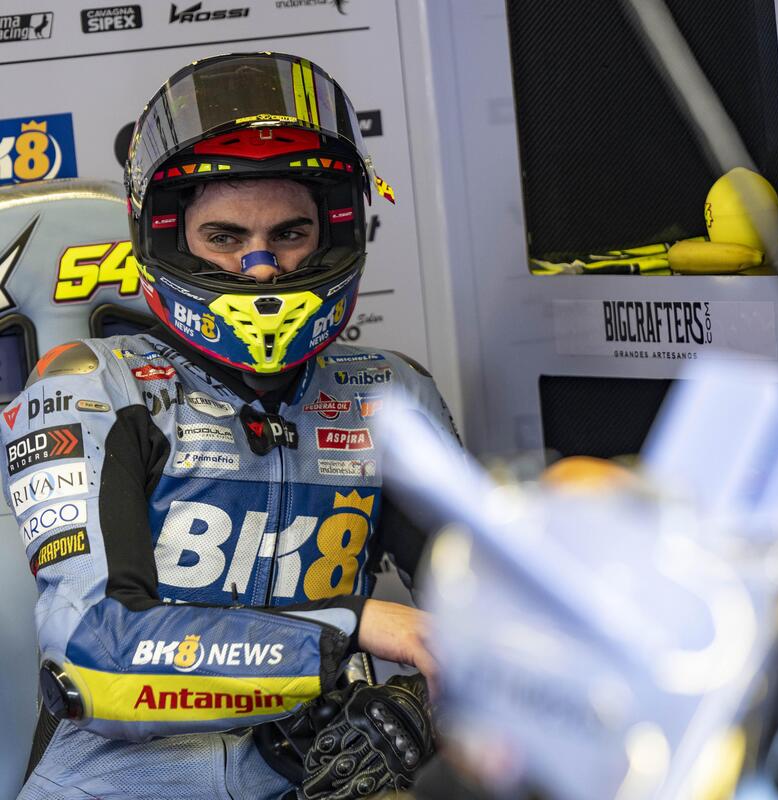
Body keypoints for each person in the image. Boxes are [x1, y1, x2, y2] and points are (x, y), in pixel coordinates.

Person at [2, 52, 457, 800]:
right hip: (116, 784)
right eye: (224, 237)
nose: (261, 267)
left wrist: (417, 711)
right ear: (169, 239)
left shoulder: (388, 392)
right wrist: (347, 632)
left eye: (290, 233)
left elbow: (497, 618)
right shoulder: (90, 386)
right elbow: (92, 659)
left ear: (334, 231)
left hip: (325, 773)